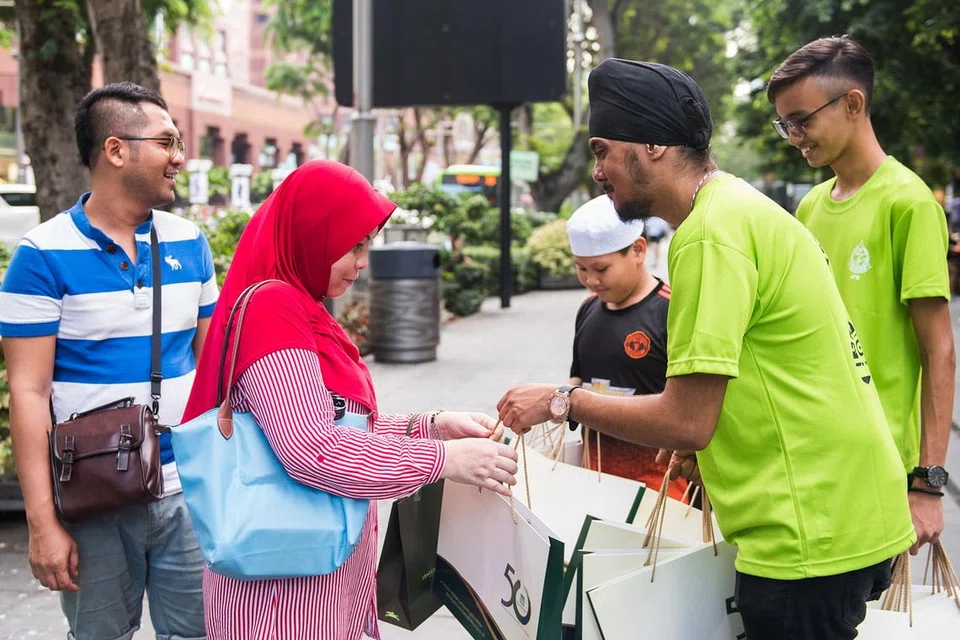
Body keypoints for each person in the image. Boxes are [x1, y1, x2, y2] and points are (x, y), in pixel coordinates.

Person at [497, 59, 915, 639]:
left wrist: (562, 400)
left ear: (654, 144)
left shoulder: (709, 235)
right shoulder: (733, 208)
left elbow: (687, 420)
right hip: (842, 513)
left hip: (809, 533)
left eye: (602, 150)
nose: (597, 172)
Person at [180, 160, 519, 640]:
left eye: (368, 245)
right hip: (282, 601)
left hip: (317, 578)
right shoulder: (274, 311)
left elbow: (337, 422)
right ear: (313, 232)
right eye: (354, 244)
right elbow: (311, 448)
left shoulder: (300, 306)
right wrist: (442, 459)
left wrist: (431, 425)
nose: (363, 263)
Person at [0, 82, 217, 639]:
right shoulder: (41, 256)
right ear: (117, 150)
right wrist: (42, 523)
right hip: (91, 495)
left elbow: (214, 366)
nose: (179, 157)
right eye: (167, 142)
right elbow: (28, 392)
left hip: (188, 488)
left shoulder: (189, 242)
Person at [768, 36, 955, 555]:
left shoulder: (910, 203)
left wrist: (928, 484)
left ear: (853, 104)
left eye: (802, 119)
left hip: (882, 471)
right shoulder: (808, 209)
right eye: (785, 124)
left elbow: (938, 352)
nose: (794, 137)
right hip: (815, 461)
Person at [565, 195, 687, 499]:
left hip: (662, 492)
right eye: (581, 269)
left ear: (638, 250)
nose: (591, 280)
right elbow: (578, 380)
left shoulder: (674, 312)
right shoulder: (588, 309)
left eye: (601, 269)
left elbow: (689, 409)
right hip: (593, 484)